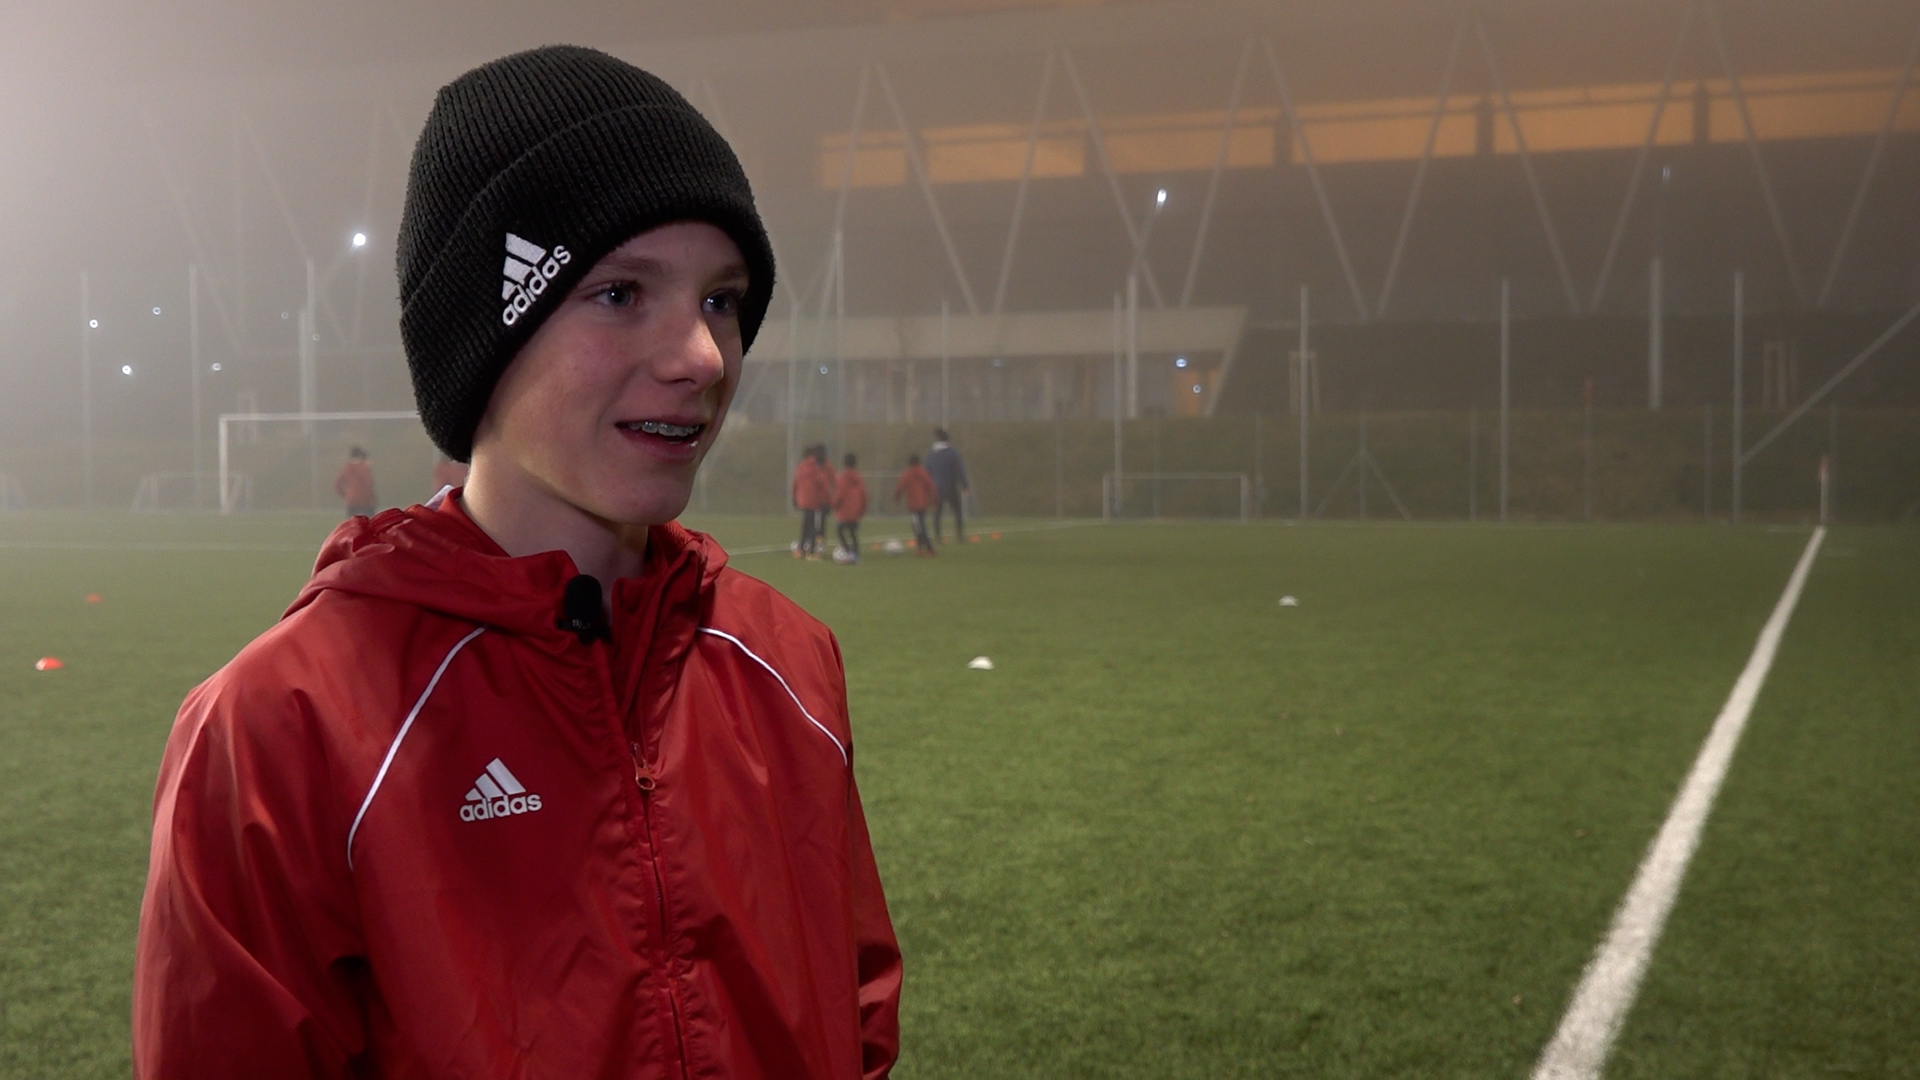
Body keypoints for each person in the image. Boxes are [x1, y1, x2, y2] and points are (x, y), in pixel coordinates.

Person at [134, 46, 900, 1080]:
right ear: (483, 340)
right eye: (621, 294)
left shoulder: (790, 662)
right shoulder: (280, 729)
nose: (702, 357)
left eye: (721, 299)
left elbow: (853, 1017)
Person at [926, 427, 969, 543]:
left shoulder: (932, 455)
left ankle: (937, 536)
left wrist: (927, 488)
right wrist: (965, 485)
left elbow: (927, 471)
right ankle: (959, 536)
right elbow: (959, 470)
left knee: (937, 513)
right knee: (957, 512)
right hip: (951, 486)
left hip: (936, 488)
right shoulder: (952, 453)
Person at [894, 453, 936, 555]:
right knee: (919, 526)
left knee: (918, 527)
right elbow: (931, 487)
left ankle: (929, 549)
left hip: (913, 505)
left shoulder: (907, 473)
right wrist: (933, 500)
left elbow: (900, 487)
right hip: (923, 504)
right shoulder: (924, 472)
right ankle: (920, 549)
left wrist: (896, 498)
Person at [832, 452, 867, 563]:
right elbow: (864, 494)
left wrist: (834, 505)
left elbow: (840, 494)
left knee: (839, 530)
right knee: (852, 533)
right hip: (856, 510)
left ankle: (848, 551)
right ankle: (856, 554)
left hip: (845, 511)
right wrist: (862, 508)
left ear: (844, 463)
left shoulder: (842, 478)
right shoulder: (858, 478)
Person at [791, 445, 820, 557]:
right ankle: (810, 548)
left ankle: (803, 547)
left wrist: (794, 497)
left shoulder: (800, 467)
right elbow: (820, 484)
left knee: (806, 524)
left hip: (802, 499)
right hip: (813, 499)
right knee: (810, 524)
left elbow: (795, 483)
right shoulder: (815, 468)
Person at [333, 446, 376, 517]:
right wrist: (372, 497)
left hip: (351, 500)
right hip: (364, 501)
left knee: (352, 522)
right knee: (370, 521)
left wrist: (345, 495)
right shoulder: (364, 468)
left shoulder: (346, 468)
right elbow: (368, 484)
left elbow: (337, 484)